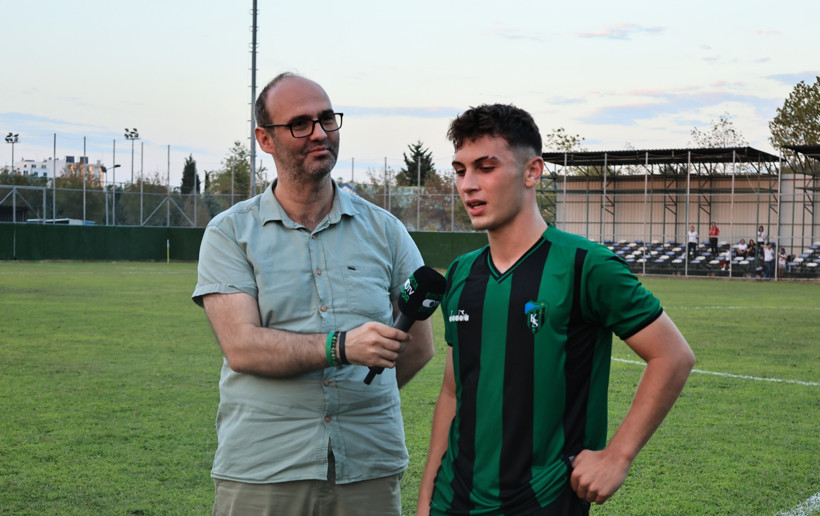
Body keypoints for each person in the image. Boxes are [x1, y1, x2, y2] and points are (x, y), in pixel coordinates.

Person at [416, 104, 695, 515]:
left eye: (486, 167)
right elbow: (452, 392)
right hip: (452, 501)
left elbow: (673, 356)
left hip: (544, 501)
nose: (468, 185)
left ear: (532, 172)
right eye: (460, 170)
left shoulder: (586, 265)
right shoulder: (460, 273)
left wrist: (617, 456)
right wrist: (426, 498)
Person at [193, 72, 435, 516]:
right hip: (265, 467)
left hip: (368, 465)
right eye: (300, 124)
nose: (320, 133)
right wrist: (341, 348)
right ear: (265, 139)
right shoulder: (230, 233)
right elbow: (242, 346)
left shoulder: (386, 231)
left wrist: (360, 402)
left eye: (326, 119)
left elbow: (419, 347)